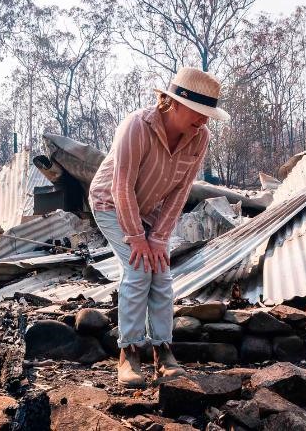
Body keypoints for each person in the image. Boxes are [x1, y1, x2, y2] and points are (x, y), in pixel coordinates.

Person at [89, 67, 230, 387]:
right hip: (111, 203)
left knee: (162, 274)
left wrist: (158, 238)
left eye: (209, 114)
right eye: (199, 112)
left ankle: (163, 352)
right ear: (174, 103)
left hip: (151, 211)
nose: (204, 121)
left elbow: (180, 192)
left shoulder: (200, 137)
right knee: (139, 270)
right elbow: (121, 186)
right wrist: (137, 239)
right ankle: (129, 352)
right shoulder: (136, 126)